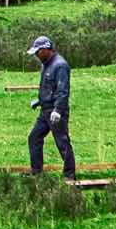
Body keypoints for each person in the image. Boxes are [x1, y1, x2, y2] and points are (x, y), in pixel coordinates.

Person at [27, 35, 76, 177]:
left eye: (38, 51)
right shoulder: (46, 64)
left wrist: (58, 110)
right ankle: (37, 173)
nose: (36, 55)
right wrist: (40, 101)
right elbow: (49, 87)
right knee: (34, 137)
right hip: (45, 111)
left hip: (56, 112)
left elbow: (63, 90)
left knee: (62, 142)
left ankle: (69, 174)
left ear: (46, 49)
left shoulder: (60, 65)